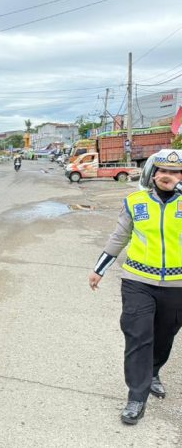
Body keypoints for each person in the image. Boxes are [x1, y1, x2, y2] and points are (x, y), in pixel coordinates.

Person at [88, 148, 182, 425]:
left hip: (177, 285)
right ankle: (136, 396)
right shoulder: (134, 202)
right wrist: (99, 269)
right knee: (138, 335)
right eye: (163, 171)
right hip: (137, 281)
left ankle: (153, 371)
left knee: (164, 337)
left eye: (175, 172)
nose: (168, 176)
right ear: (153, 174)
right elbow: (120, 236)